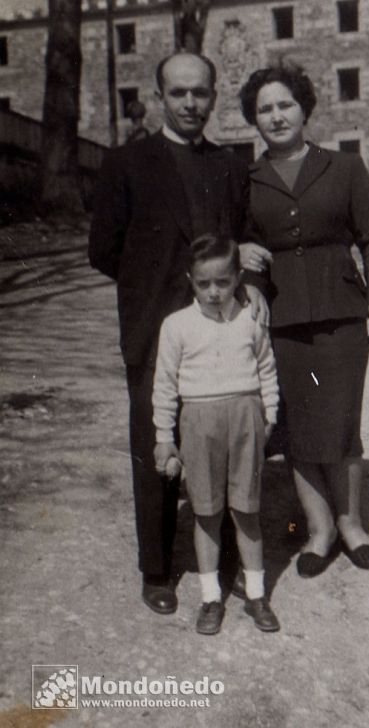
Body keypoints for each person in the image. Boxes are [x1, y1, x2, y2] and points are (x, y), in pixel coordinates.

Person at [88, 52, 266, 615]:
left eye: (200, 93)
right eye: (179, 93)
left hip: (221, 331)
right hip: (154, 331)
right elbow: (103, 250)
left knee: (227, 442)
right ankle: (158, 569)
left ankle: (234, 556)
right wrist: (155, 288)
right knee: (156, 446)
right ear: (161, 96)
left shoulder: (231, 166)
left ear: (214, 96)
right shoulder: (125, 163)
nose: (190, 103)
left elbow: (245, 241)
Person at [239, 64, 369, 576]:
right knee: (299, 424)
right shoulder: (248, 180)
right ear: (254, 121)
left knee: (343, 419)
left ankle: (352, 524)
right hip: (281, 319)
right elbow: (246, 249)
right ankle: (319, 528)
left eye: (285, 105)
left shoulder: (345, 167)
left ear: (305, 109)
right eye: (265, 109)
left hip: (342, 313)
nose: (277, 116)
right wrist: (249, 275)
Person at [152, 233, 280, 635]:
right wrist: (163, 435)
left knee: (247, 510)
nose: (213, 292)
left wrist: (269, 415)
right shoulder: (176, 327)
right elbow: (165, 385)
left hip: (245, 418)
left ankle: (256, 595)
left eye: (222, 282)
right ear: (191, 280)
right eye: (204, 283)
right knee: (206, 514)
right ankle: (210, 599)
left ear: (237, 278)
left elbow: (267, 370)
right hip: (199, 423)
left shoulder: (250, 320)